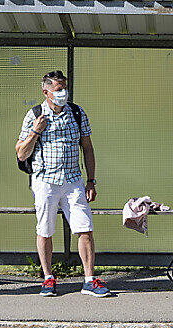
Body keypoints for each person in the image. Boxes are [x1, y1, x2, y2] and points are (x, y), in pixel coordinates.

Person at [15, 71, 111, 298]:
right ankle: (48, 278)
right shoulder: (34, 115)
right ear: (46, 92)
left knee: (85, 228)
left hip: (73, 180)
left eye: (64, 88)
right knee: (45, 230)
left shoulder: (76, 112)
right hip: (45, 180)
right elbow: (21, 153)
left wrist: (91, 180)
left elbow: (87, 147)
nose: (63, 93)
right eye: (58, 90)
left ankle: (89, 280)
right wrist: (35, 132)